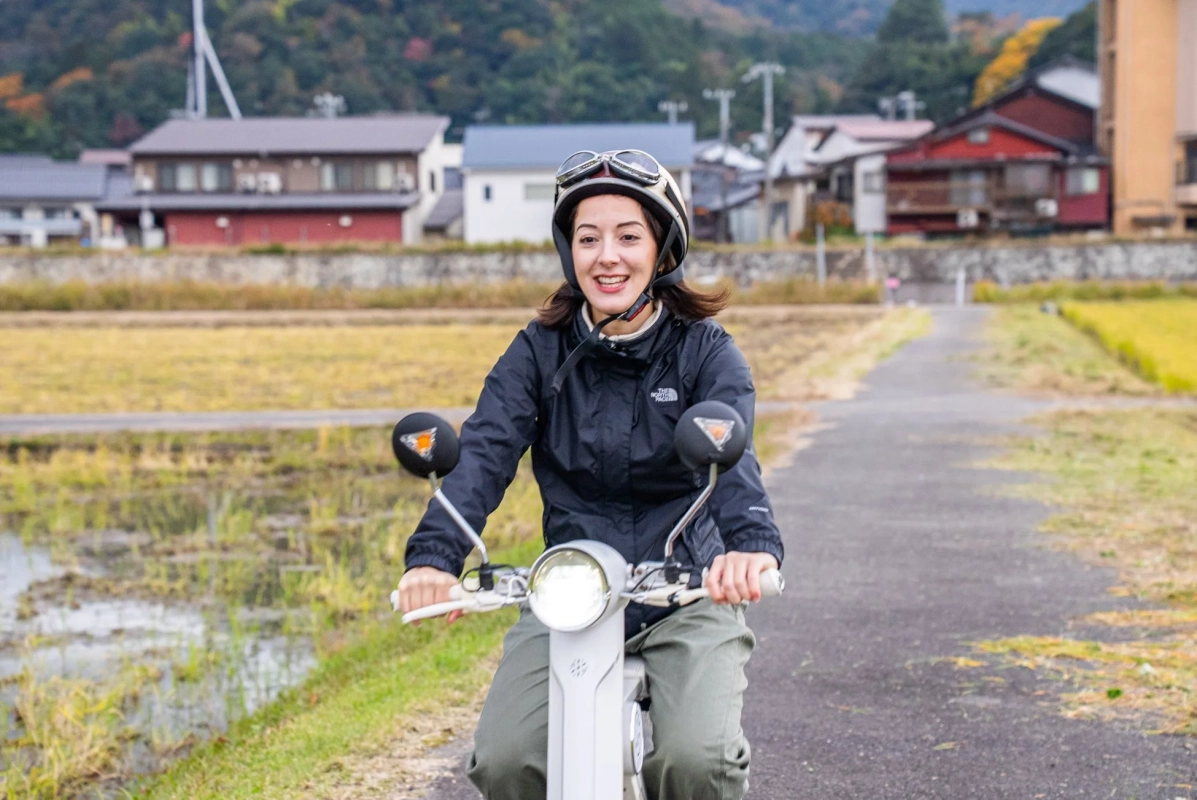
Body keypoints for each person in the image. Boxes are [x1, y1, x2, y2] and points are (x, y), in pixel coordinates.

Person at [397, 149, 784, 800]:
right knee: (504, 760)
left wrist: (748, 547)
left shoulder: (702, 349)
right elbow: (486, 448)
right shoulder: (537, 350)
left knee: (697, 763)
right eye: (587, 238)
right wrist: (434, 556)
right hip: (570, 594)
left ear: (662, 250)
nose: (607, 255)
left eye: (628, 236)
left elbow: (731, 453)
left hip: (686, 592)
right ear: (567, 251)